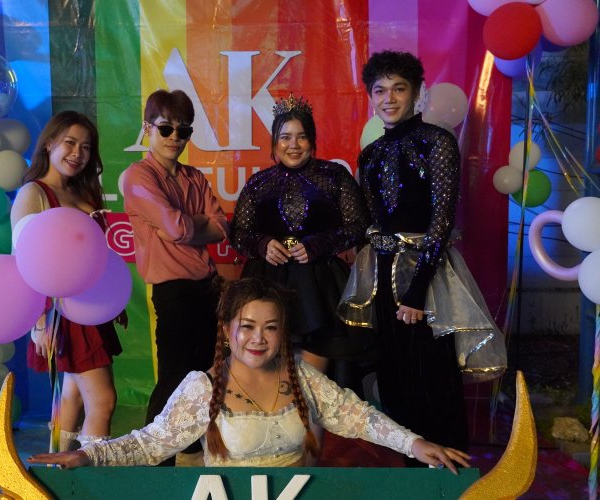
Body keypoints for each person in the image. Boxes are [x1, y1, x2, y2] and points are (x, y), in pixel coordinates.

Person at [27, 277, 471, 472]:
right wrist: (91, 456)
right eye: (248, 327)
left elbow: (359, 417)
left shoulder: (302, 377)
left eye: (271, 328)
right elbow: (149, 443)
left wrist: (415, 444)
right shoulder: (202, 388)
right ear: (227, 331)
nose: (259, 339)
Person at [338, 51, 506, 459]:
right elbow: (370, 223)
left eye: (399, 89)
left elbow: (442, 220)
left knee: (433, 376)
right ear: (371, 97)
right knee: (394, 377)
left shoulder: (438, 142)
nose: (389, 98)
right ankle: (411, 468)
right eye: (380, 90)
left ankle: (448, 474)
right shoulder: (370, 153)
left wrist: (416, 292)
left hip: (426, 277)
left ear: (416, 93)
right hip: (381, 274)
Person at [229, 94, 374, 376]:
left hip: (320, 285)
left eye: (301, 137)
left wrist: (321, 243)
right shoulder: (258, 183)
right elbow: (238, 233)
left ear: (312, 141)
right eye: (285, 137)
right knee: (267, 365)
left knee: (320, 372)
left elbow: (359, 225)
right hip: (267, 281)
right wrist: (262, 244)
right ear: (275, 142)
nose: (293, 145)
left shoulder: (334, 176)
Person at [121, 89, 229, 465]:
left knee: (205, 377)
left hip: (208, 288)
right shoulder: (137, 176)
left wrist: (186, 225)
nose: (174, 138)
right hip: (174, 291)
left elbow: (220, 227)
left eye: (183, 131)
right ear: (147, 128)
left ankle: (194, 456)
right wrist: (193, 225)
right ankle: (155, 464)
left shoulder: (194, 176)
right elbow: (176, 227)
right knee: (174, 378)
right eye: (166, 128)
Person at [11, 110, 126, 452]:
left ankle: (59, 467)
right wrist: (39, 321)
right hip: (61, 313)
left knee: (72, 397)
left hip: (92, 308)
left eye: (86, 147)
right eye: (70, 143)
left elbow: (97, 257)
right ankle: (90, 472)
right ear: (49, 144)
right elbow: (23, 262)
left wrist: (112, 301)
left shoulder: (85, 192)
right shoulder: (34, 193)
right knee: (103, 401)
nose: (78, 153)